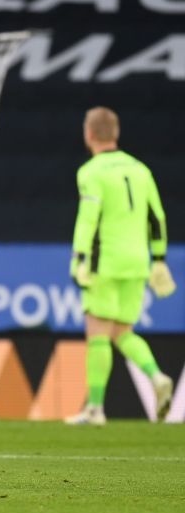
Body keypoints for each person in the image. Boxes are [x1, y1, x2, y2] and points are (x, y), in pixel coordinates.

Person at [65, 106, 175, 426]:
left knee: (97, 333)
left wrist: (80, 258)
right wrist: (158, 260)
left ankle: (95, 409)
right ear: (115, 133)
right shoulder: (141, 169)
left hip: (105, 261)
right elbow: (158, 217)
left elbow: (89, 218)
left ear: (89, 134)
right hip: (138, 262)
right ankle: (156, 377)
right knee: (122, 331)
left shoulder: (91, 171)